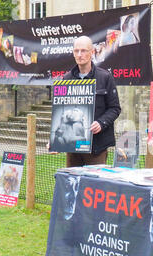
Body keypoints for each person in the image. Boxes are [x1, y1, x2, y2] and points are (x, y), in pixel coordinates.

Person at [50, 35, 121, 167]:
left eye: (83, 50)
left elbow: (115, 108)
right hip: (72, 149)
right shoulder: (66, 79)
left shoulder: (105, 77)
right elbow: (61, 112)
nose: (79, 54)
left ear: (92, 52)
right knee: (72, 185)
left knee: (93, 186)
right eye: (76, 51)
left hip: (96, 147)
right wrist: (55, 141)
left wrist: (101, 123)